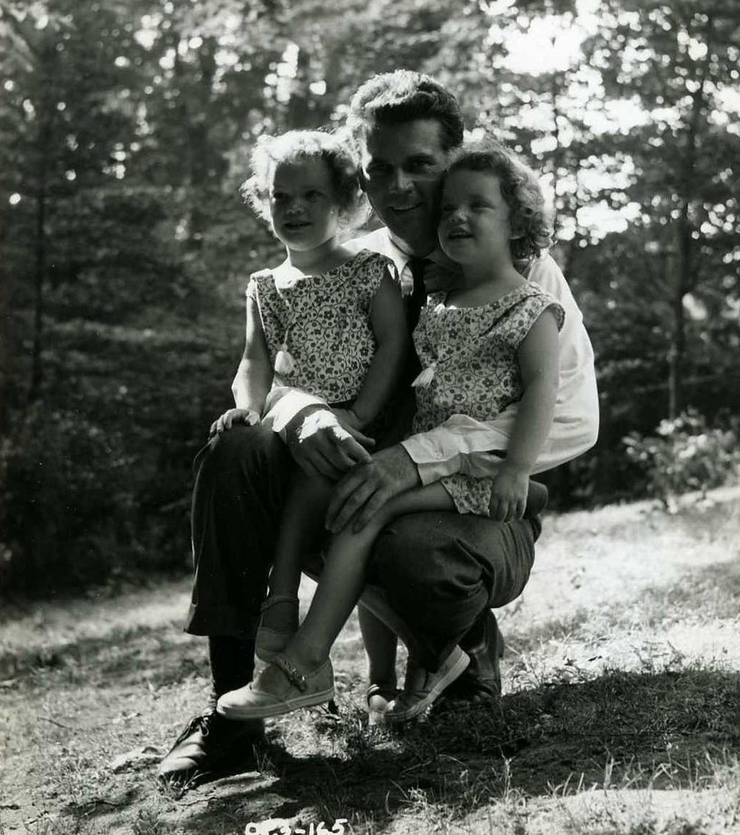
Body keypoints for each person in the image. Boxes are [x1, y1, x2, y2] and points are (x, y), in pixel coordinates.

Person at [158, 71, 599, 788]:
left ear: (454, 159)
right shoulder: (352, 264)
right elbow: (278, 372)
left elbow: (575, 418)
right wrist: (301, 413)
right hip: (352, 481)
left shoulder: (519, 268)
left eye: (419, 164)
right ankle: (232, 714)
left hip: (471, 506)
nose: (399, 186)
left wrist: (416, 460)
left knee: (412, 546)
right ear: (358, 176)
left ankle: (461, 655)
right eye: (379, 168)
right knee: (236, 450)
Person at [215, 138, 570, 724]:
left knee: (365, 509)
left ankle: (305, 661)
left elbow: (543, 397)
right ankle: (418, 666)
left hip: (481, 473)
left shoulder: (531, 307)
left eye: (478, 206)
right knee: (358, 506)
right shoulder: (440, 301)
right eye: (449, 207)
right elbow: (268, 364)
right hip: (431, 467)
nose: (457, 217)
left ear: (518, 220)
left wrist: (516, 470)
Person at [211, 130, 408, 665]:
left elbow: (393, 345)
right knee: (283, 473)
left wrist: (359, 413)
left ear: (343, 202)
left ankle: (282, 604)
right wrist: (248, 408)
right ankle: (277, 606)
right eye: (281, 197)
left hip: (363, 424)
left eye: (312, 196)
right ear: (265, 203)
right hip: (295, 424)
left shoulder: (367, 269)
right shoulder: (265, 285)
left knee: (320, 481)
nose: (294, 208)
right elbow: (254, 360)